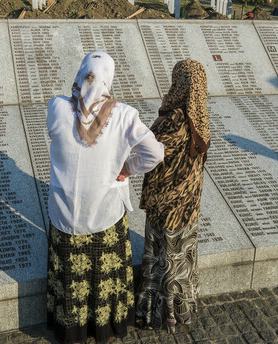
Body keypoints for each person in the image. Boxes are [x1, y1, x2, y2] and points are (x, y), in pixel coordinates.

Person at [46, 51, 164, 344]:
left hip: (65, 214)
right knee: (104, 273)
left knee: (70, 274)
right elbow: (155, 153)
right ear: (108, 80)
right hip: (105, 216)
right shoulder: (124, 115)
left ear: (80, 74)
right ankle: (104, 329)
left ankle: (71, 331)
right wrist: (127, 167)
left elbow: (56, 134)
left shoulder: (58, 107)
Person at [135, 59, 211, 333]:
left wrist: (162, 111)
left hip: (167, 205)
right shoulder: (199, 114)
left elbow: (150, 144)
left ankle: (162, 313)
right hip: (189, 206)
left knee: (164, 259)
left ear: (180, 85)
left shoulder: (176, 119)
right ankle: (183, 305)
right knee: (182, 257)